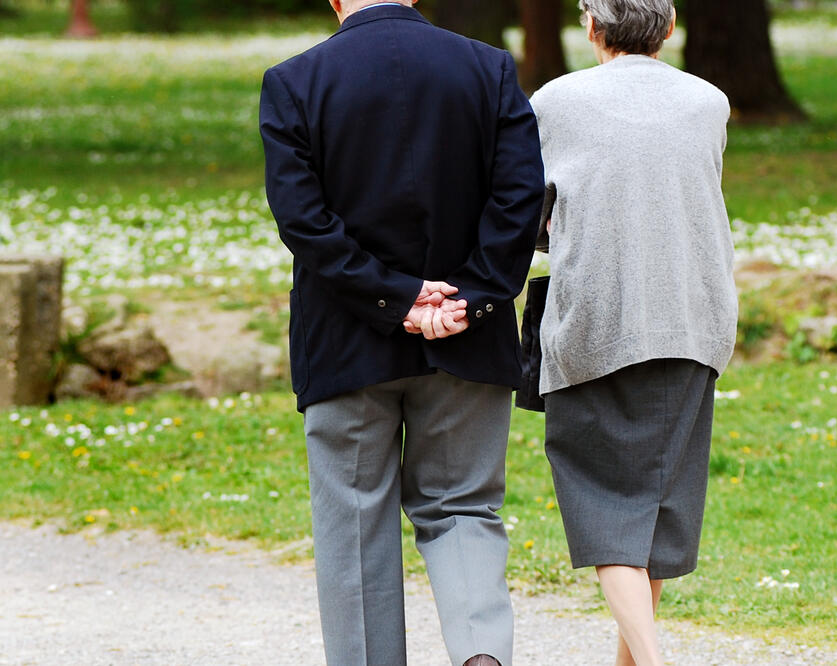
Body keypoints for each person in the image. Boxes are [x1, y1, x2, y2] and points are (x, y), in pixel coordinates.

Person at [259, 1, 544, 664]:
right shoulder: (490, 69)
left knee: (354, 525)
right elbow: (520, 198)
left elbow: (304, 221)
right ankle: (481, 652)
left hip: (346, 341)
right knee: (465, 508)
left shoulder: (294, 81)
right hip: (468, 343)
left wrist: (401, 298)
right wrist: (465, 300)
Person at [529, 1, 738, 664]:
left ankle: (649, 661)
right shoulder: (710, 102)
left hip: (597, 317)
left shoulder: (553, 102)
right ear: (668, 29)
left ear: (591, 27)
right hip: (692, 314)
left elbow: (531, 208)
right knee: (655, 509)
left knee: (608, 513)